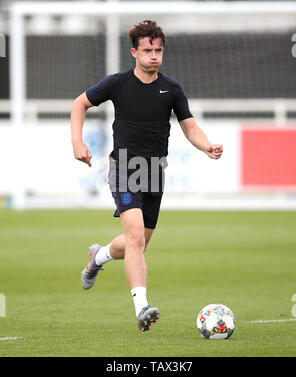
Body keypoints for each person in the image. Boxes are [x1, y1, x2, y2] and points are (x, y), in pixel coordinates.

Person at [71, 20, 223, 333]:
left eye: (158, 50)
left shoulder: (172, 88)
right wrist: (77, 141)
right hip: (125, 167)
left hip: (155, 171)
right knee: (136, 237)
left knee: (137, 243)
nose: (153, 56)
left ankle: (97, 257)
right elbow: (80, 103)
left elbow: (189, 126)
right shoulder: (117, 83)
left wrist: (206, 144)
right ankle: (142, 308)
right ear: (134, 52)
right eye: (147, 50)